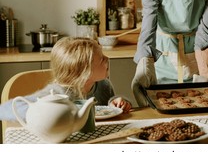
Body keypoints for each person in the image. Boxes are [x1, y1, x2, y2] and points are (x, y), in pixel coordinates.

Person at [0, 37, 132, 121]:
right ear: (84, 71)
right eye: (102, 59)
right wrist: (44, 111)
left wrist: (115, 102)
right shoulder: (59, 93)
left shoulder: (103, 85)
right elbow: (4, 109)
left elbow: (106, 110)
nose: (107, 59)